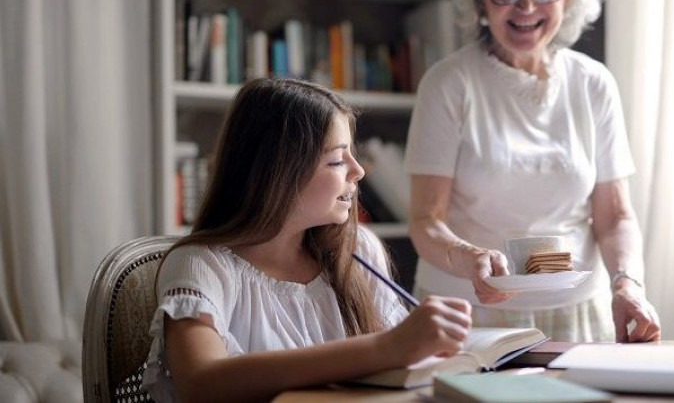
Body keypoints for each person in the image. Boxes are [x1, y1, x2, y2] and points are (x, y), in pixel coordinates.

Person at [404, 0, 660, 343]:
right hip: (465, 311)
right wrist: (470, 259)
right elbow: (426, 220)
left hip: (578, 309)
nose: (526, 5)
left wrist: (627, 283)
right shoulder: (448, 83)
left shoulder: (593, 83)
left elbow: (615, 216)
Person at [142, 78, 472, 402]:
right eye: (337, 160)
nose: (358, 171)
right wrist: (386, 348)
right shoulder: (203, 266)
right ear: (278, 171)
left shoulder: (358, 251)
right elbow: (200, 384)